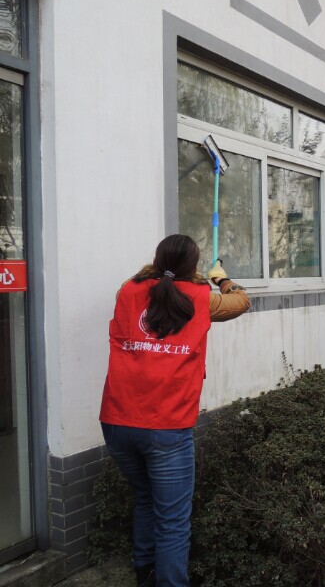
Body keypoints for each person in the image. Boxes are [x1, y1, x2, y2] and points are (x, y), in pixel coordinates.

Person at [99, 235, 250, 587]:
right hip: (166, 427)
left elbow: (148, 283)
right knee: (173, 522)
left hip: (116, 421)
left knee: (145, 498)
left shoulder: (127, 290)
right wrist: (220, 278)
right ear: (193, 266)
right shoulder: (200, 298)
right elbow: (242, 301)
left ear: (158, 259)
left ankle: (145, 573)